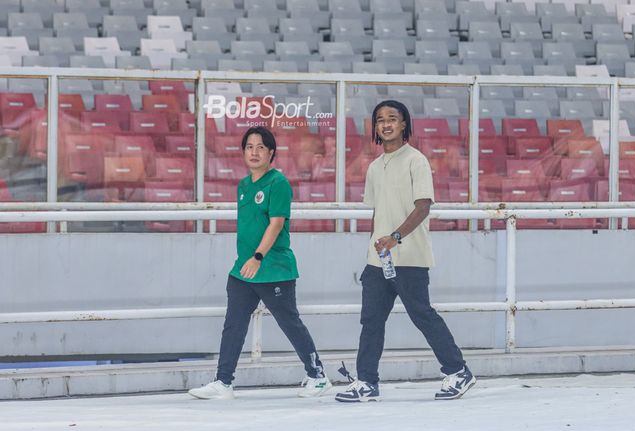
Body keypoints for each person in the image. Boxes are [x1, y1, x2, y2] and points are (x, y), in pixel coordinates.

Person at [335, 100, 476, 402]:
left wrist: (396, 237)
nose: (386, 124)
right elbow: (378, 212)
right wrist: (374, 246)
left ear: (403, 125)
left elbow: (423, 206)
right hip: (378, 260)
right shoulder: (374, 167)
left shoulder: (416, 160)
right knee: (371, 320)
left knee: (422, 315)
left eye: (392, 119)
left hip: (409, 256)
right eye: (380, 120)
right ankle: (366, 381)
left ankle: (458, 371)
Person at [189, 126, 331, 400]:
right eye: (249, 147)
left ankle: (318, 376)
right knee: (234, 324)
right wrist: (247, 261)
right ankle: (223, 382)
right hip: (243, 271)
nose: (254, 152)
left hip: (273, 269)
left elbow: (276, 224)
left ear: (271, 153)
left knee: (290, 323)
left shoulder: (278, 184)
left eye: (260, 147)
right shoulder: (243, 185)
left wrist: (257, 257)